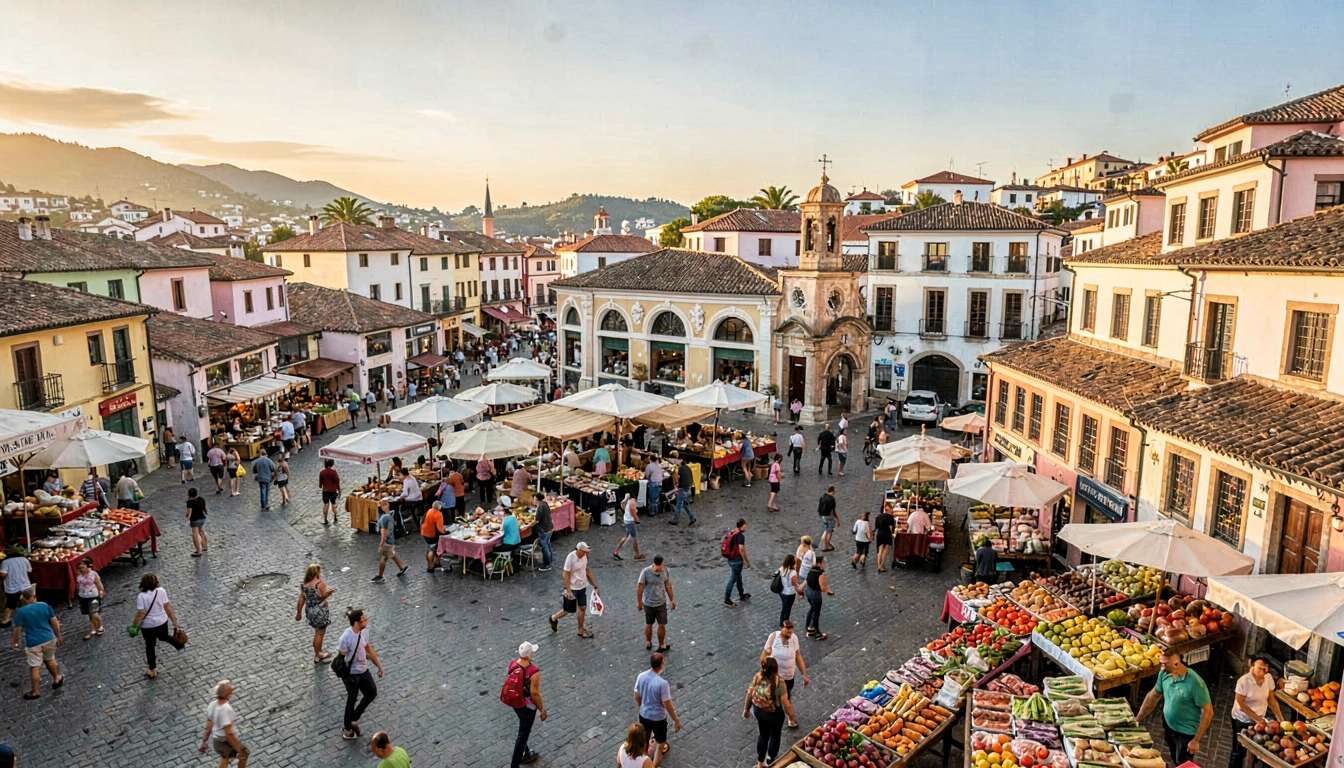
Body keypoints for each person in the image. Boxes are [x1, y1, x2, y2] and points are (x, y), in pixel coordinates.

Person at [1136, 650, 1213, 766]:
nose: (1162, 667)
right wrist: (1138, 719)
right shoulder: (1164, 674)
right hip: (1169, 725)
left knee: (1182, 762)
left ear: (1176, 663)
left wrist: (1196, 740)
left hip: (1186, 733)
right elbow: (1153, 696)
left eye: (1165, 664)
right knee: (1174, 756)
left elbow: (1208, 712)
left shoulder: (1195, 683)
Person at [1229, 656, 1286, 768]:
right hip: (1242, 719)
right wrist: (1258, 720)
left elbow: (1271, 700)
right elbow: (1241, 703)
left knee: (1256, 749)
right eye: (1260, 668)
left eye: (1265, 669)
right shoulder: (1244, 681)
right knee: (1238, 751)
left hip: (1259, 720)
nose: (1263, 671)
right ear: (1252, 667)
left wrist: (1280, 718)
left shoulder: (1268, 678)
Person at [337, 609, 383, 741]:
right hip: (351, 675)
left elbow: (368, 649)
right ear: (357, 622)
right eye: (364, 619)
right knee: (351, 699)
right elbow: (342, 656)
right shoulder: (346, 637)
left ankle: (352, 719)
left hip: (363, 671)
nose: (366, 620)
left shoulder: (363, 633)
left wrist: (378, 666)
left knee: (371, 692)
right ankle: (348, 730)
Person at [10, 587, 62, 699]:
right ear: (34, 596)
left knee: (34, 666)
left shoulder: (21, 612)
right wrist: (58, 636)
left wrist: (15, 642)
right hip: (49, 638)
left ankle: (34, 691)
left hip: (33, 642)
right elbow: (54, 621)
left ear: (24, 598)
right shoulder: (44, 605)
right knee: (50, 659)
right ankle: (57, 677)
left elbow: (18, 628)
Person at [130, 573, 184, 678]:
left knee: (150, 646)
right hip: (162, 622)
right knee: (164, 636)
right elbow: (168, 607)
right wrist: (175, 622)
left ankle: (152, 669)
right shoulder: (162, 591)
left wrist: (134, 626)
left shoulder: (141, 596)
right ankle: (179, 645)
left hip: (148, 626)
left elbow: (141, 613)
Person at [743, 656, 792, 768]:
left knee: (763, 735)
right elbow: (785, 703)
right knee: (775, 736)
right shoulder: (780, 683)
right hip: (774, 714)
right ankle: (770, 760)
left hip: (759, 711)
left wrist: (746, 709)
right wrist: (792, 716)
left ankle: (760, 763)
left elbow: (749, 694)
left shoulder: (758, 677)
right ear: (776, 668)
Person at [503, 641, 546, 767]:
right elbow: (535, 693)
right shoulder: (533, 672)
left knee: (523, 726)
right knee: (523, 733)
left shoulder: (513, 665)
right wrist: (542, 710)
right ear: (529, 655)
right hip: (526, 706)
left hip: (515, 703)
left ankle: (527, 752)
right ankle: (515, 763)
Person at [634, 652, 681, 764]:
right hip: (658, 718)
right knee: (660, 743)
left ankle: (644, 761)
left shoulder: (641, 676)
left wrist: (640, 707)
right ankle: (653, 766)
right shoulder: (662, 684)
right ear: (661, 665)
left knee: (645, 739)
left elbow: (636, 695)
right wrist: (676, 720)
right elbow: (667, 704)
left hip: (644, 714)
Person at [761, 622, 809, 727]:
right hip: (775, 676)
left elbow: (798, 656)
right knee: (779, 698)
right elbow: (764, 656)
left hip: (789, 675)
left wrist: (804, 674)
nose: (789, 635)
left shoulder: (794, 638)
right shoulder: (773, 637)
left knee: (787, 695)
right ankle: (788, 717)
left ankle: (787, 715)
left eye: (791, 633)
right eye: (787, 633)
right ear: (781, 629)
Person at [549, 542, 598, 638]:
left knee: (582, 607)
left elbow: (586, 569)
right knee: (568, 609)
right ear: (578, 550)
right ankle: (554, 618)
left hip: (582, 585)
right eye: (584, 552)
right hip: (573, 587)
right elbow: (565, 574)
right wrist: (568, 590)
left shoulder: (584, 557)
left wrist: (594, 582)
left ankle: (580, 629)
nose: (586, 554)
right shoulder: (571, 557)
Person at [200, 680, 248, 768]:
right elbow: (229, 733)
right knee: (244, 754)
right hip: (224, 742)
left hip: (216, 742)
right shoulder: (226, 709)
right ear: (228, 694)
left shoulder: (212, 705)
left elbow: (209, 726)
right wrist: (238, 749)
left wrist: (204, 741)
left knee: (225, 757)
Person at [296, 563, 334, 663]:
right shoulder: (319, 584)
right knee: (319, 633)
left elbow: (301, 600)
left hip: (309, 610)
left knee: (317, 632)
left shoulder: (304, 585)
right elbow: (323, 596)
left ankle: (317, 651)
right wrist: (329, 593)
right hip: (320, 611)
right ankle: (318, 655)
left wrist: (299, 613)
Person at [637, 555, 676, 652]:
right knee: (649, 624)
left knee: (662, 624)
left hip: (661, 603)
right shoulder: (645, 572)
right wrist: (639, 603)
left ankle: (661, 644)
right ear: (654, 564)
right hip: (649, 603)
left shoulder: (665, 570)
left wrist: (672, 599)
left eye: (662, 566)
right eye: (659, 567)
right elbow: (640, 588)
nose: (660, 568)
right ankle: (649, 641)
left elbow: (668, 585)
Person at [372, 501, 408, 582]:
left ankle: (380, 576)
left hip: (387, 542)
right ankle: (401, 568)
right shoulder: (389, 517)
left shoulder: (384, 518)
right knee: (392, 554)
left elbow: (384, 533)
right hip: (391, 541)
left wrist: (381, 545)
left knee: (383, 558)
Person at [0, 547, 32, 628]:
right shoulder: (25, 559)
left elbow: (3, 575)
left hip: (12, 588)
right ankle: (29, 619)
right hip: (26, 585)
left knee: (10, 605)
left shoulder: (5, 562)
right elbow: (29, 570)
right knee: (27, 603)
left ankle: (5, 621)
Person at [804, 555, 833, 641]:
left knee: (811, 608)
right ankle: (817, 633)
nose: (823, 564)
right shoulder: (820, 575)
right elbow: (823, 588)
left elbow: (807, 581)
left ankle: (809, 627)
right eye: (823, 562)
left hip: (808, 591)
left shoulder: (810, 570)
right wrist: (828, 590)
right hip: (815, 595)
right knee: (816, 613)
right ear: (819, 563)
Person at [723, 518, 751, 608]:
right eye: (745, 525)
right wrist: (747, 561)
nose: (746, 526)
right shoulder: (740, 536)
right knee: (733, 579)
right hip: (737, 560)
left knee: (738, 576)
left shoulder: (733, 532)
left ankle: (741, 594)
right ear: (742, 525)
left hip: (731, 558)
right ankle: (727, 599)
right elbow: (741, 549)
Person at [75, 558, 104, 640]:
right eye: (80, 567)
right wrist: (78, 592)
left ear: (88, 566)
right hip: (83, 596)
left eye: (83, 566)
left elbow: (99, 584)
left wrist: (101, 592)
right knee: (89, 614)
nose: (81, 568)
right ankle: (94, 628)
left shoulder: (93, 574)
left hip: (93, 595)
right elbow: (78, 584)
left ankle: (99, 627)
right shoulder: (79, 574)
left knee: (93, 613)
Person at [614, 492, 644, 561]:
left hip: (626, 520)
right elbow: (633, 510)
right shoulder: (632, 501)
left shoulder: (628, 501)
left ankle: (616, 551)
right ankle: (637, 554)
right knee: (634, 538)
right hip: (630, 521)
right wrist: (637, 519)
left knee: (626, 536)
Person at [671, 455, 696, 526]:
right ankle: (692, 518)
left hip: (683, 489)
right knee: (684, 505)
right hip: (688, 489)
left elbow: (678, 478)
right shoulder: (688, 468)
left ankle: (675, 520)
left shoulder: (681, 469)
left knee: (678, 505)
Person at [421, 501, 447, 572]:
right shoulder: (438, 514)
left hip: (424, 533)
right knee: (432, 550)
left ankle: (431, 563)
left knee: (428, 549)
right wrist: (445, 532)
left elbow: (422, 521)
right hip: (431, 534)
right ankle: (430, 566)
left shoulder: (429, 511)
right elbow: (440, 528)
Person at [775, 554, 800, 628]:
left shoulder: (781, 568)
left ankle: (781, 623)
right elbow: (794, 583)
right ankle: (785, 624)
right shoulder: (793, 573)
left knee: (784, 608)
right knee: (787, 609)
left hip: (782, 591)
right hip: (790, 593)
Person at [533, 492, 554, 572]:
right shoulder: (544, 503)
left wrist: (530, 524)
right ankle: (549, 560)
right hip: (549, 527)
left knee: (545, 547)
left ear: (536, 499)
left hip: (544, 529)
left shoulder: (540, 506)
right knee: (548, 545)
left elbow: (537, 520)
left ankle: (547, 564)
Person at [185, 487, 208, 557]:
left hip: (195, 520)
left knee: (195, 534)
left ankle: (198, 551)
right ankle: (204, 546)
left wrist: (186, 515)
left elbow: (189, 514)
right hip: (202, 518)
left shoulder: (190, 502)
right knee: (201, 531)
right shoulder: (201, 499)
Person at [874, 503, 896, 573]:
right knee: (885, 550)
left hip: (879, 534)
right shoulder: (890, 517)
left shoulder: (877, 517)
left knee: (880, 551)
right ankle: (881, 566)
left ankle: (878, 566)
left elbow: (876, 527)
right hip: (887, 534)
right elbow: (891, 528)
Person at [319, 459, 341, 525]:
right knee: (333, 503)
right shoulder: (334, 472)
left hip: (325, 490)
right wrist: (339, 491)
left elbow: (320, 484)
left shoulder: (322, 472)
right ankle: (335, 517)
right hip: (333, 490)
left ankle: (325, 519)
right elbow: (337, 481)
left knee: (326, 504)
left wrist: (321, 486)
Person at [817, 486, 839, 552]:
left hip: (822, 515)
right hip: (828, 516)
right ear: (832, 491)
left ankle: (823, 538)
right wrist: (837, 519)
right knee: (829, 530)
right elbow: (833, 511)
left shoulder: (822, 496)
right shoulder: (832, 499)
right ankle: (825, 546)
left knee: (826, 528)